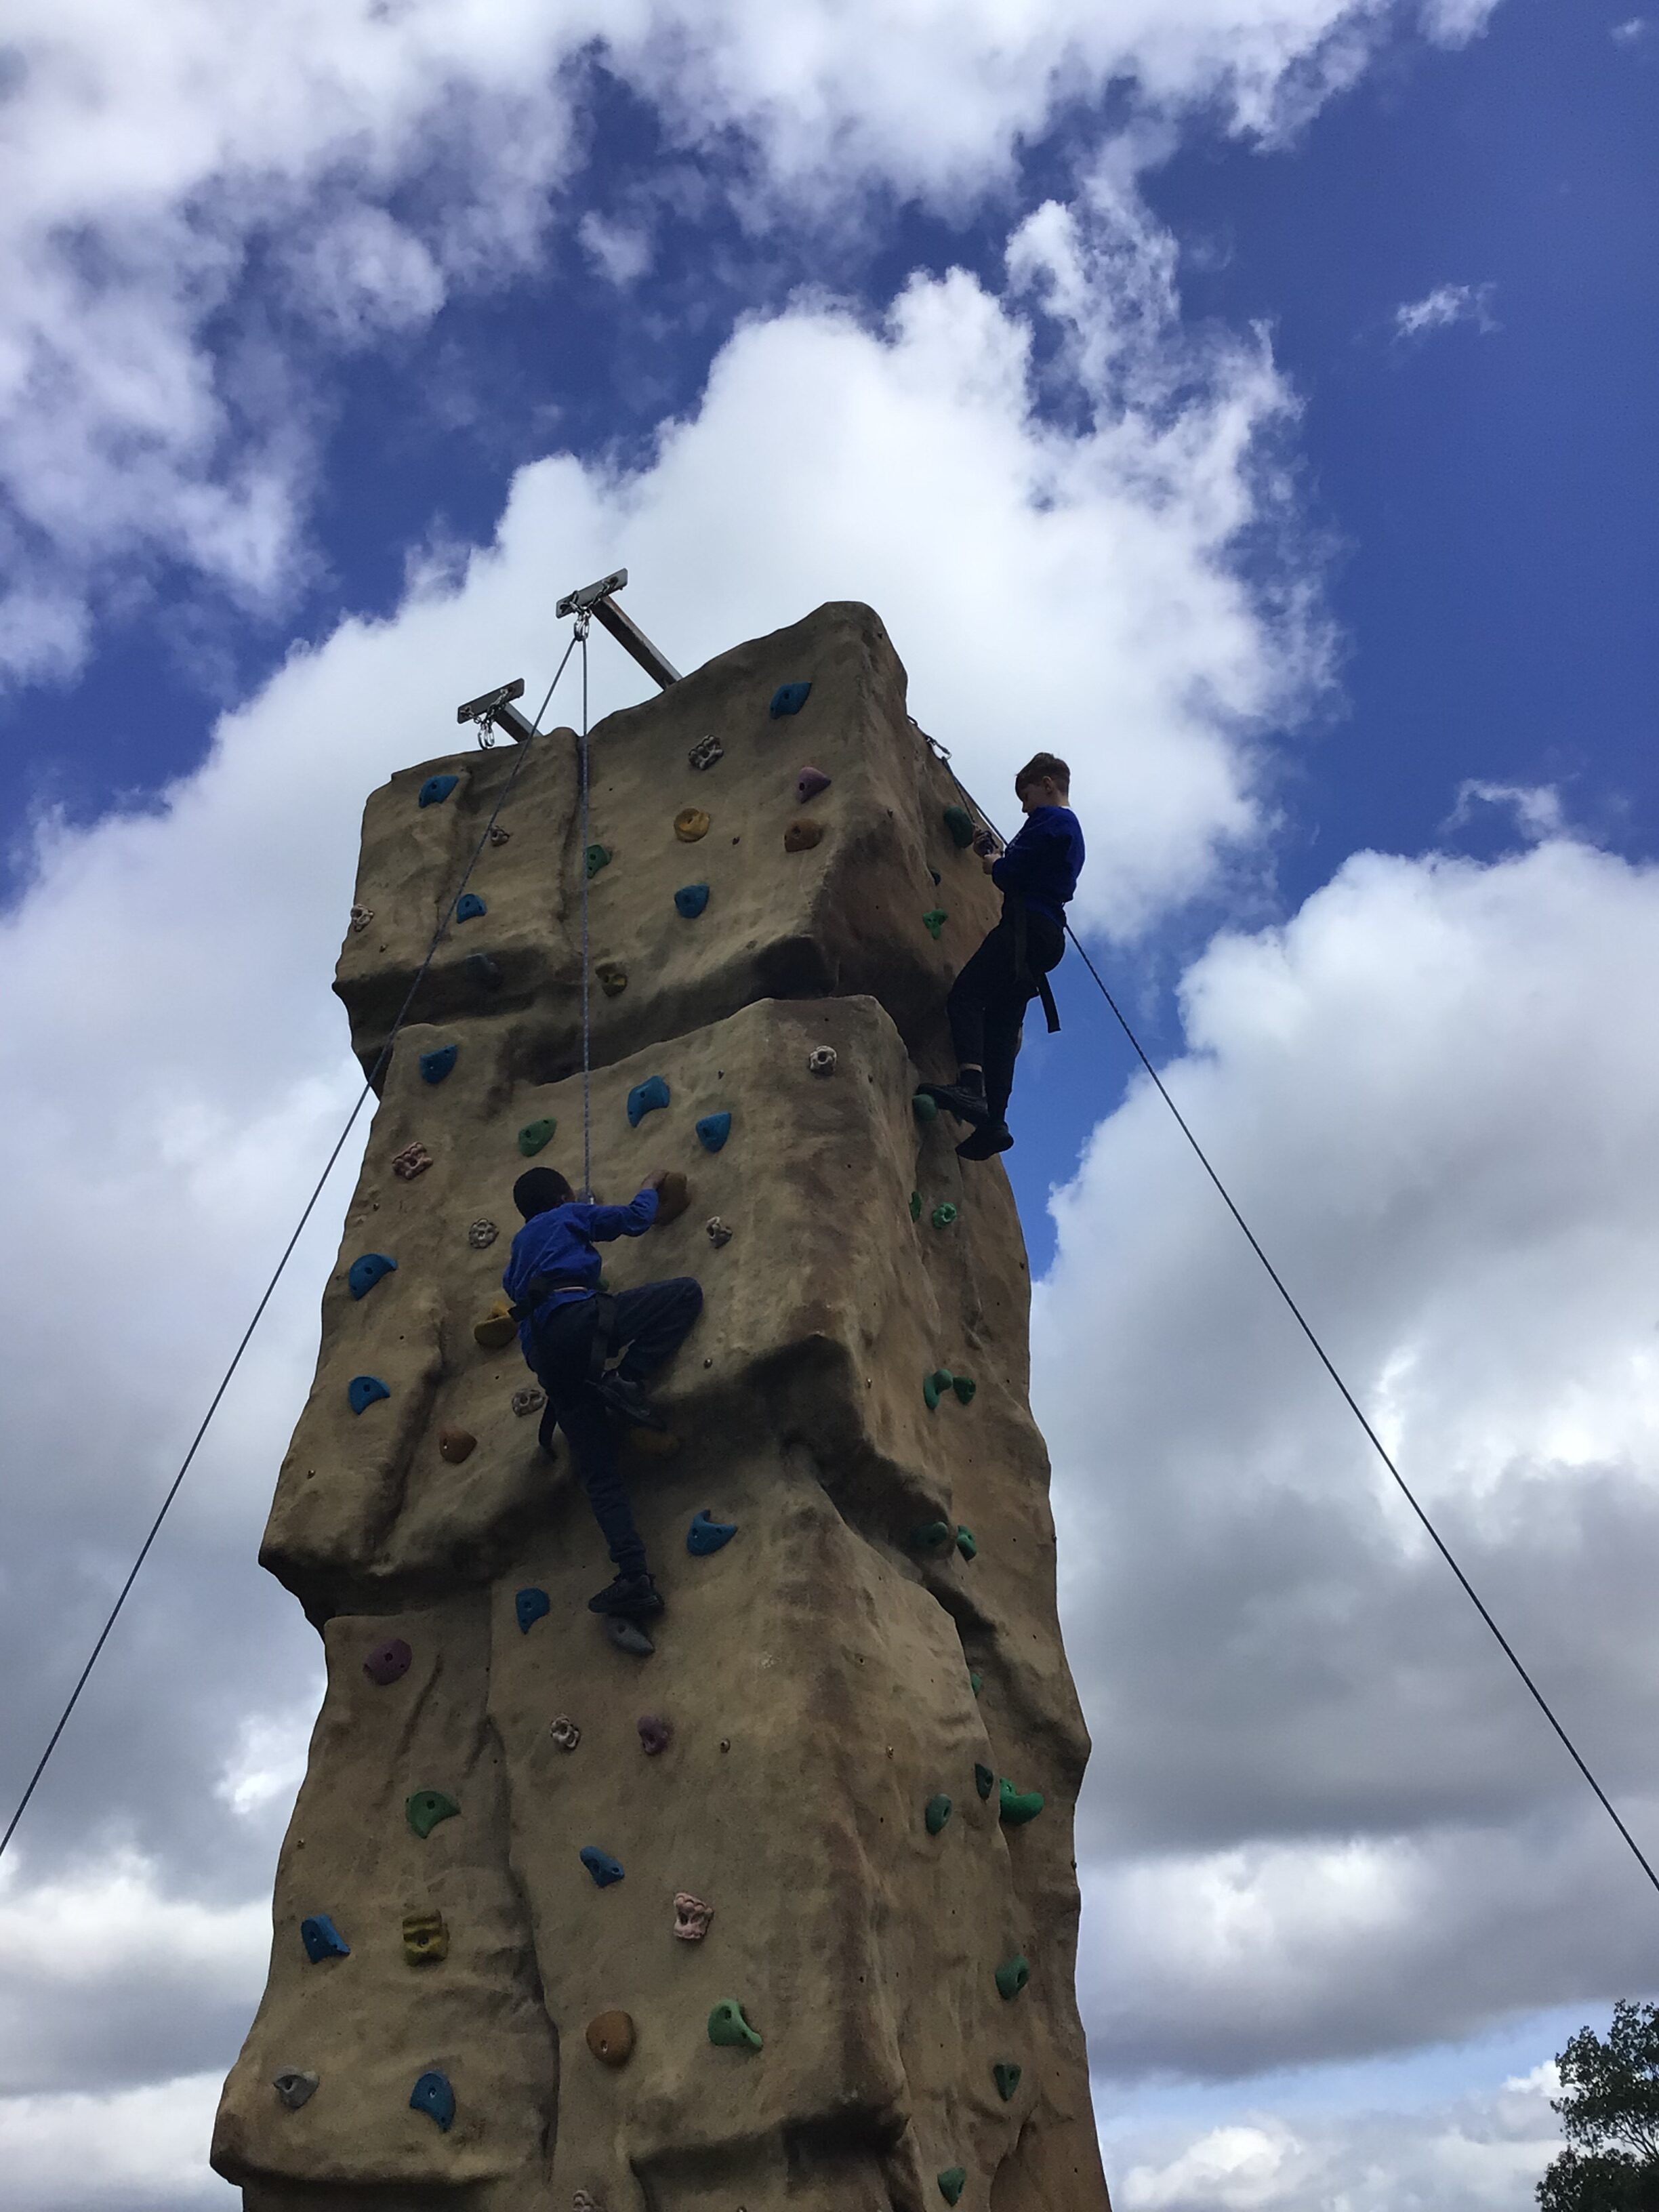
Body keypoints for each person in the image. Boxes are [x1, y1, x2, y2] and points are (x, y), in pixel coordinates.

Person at [502, 1164, 703, 1620]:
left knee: (599, 1475)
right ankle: (627, 1380)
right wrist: (648, 1186)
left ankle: (634, 1577)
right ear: (562, 1197)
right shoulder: (567, 1215)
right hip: (577, 1322)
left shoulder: (516, 1255)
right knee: (685, 1295)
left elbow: (520, 1290)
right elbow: (634, 1220)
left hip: (547, 1361)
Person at [924, 752, 1084, 1161]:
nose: (1025, 808)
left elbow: (1014, 873)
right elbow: (1028, 869)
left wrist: (996, 864)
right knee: (1001, 1026)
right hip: (1043, 938)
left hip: (1025, 929)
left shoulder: (1052, 820)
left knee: (966, 995)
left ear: (1047, 784)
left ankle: (971, 1087)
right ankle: (994, 1122)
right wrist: (995, 856)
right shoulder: (1065, 830)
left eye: (1026, 796)